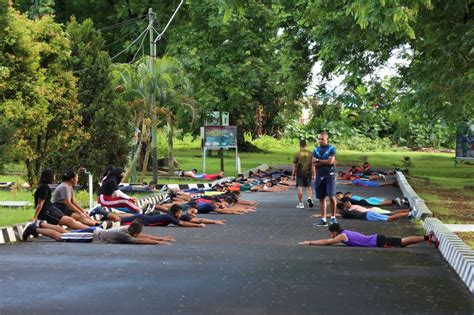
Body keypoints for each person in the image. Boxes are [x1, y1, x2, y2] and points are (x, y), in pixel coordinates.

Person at [22, 219, 174, 245]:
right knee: (61, 237)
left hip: (94, 231)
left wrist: (161, 238)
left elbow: (142, 236)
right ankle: (34, 228)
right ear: (133, 232)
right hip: (91, 235)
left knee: (63, 232)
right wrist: (158, 242)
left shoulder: (126, 229)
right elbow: (140, 240)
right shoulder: (123, 235)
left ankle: (40, 225)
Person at [298, 223, 439, 248]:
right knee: (402, 242)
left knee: (402, 242)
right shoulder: (345, 232)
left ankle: (428, 237)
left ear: (333, 232)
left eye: (331, 233)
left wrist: (310, 242)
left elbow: (327, 242)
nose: (331, 236)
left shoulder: (341, 236)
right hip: (376, 239)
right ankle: (428, 237)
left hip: (377, 241)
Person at [312, 132, 337, 226]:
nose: (320, 141)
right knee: (321, 198)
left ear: (327, 139)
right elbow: (313, 163)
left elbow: (330, 162)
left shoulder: (332, 148)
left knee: (331, 196)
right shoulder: (315, 150)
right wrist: (323, 162)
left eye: (322, 139)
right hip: (319, 176)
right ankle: (323, 219)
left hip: (330, 176)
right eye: (319, 139)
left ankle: (333, 218)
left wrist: (318, 160)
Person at [292, 139, 315, 209]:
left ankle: (301, 203)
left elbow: (294, 165)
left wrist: (293, 174)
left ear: (299, 145)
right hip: (308, 172)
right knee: (308, 186)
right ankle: (309, 197)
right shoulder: (311, 153)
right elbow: (313, 164)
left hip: (300, 172)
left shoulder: (297, 154)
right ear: (306, 145)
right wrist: (314, 174)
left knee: (300, 186)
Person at [337, 203, 416, 222]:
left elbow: (334, 215)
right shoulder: (351, 208)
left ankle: (409, 213)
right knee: (391, 214)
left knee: (390, 216)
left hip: (370, 213)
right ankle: (409, 211)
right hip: (371, 212)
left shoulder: (348, 210)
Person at [336, 192, 404, 207]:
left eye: (338, 195)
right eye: (337, 197)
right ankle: (396, 201)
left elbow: (348, 204)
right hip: (362, 202)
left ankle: (394, 201)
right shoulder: (343, 199)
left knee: (379, 204)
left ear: (342, 194)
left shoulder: (344, 198)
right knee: (379, 203)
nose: (338, 197)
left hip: (362, 202)